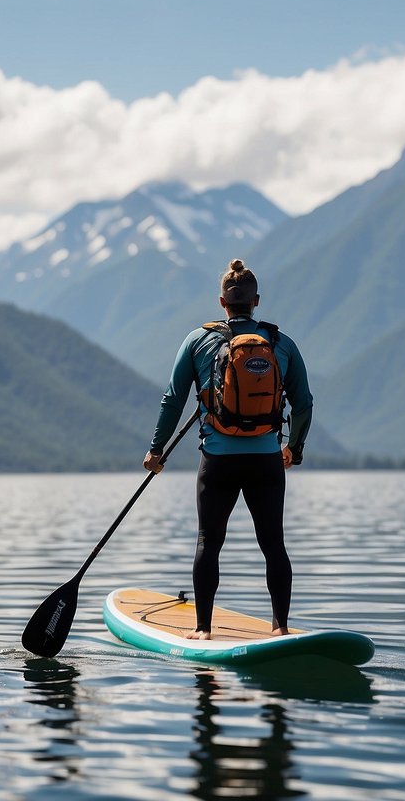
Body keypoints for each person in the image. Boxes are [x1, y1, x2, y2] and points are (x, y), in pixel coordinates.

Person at [143, 258, 313, 640]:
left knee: (209, 542)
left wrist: (157, 451)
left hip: (217, 461)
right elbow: (304, 403)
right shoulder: (280, 343)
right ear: (257, 301)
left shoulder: (198, 340)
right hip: (265, 459)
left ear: (222, 302)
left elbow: (172, 400)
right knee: (273, 544)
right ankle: (280, 626)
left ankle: (203, 630)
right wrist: (294, 449)